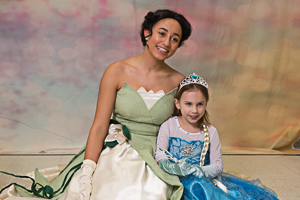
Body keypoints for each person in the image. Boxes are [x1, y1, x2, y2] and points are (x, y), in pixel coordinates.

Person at [0, 9, 192, 200]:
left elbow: (184, 130)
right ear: (147, 33)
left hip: (156, 157)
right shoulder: (116, 71)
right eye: (162, 33)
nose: (166, 43)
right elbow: (100, 127)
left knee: (150, 193)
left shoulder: (180, 82)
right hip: (118, 149)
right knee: (107, 190)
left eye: (175, 39)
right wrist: (87, 173)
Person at [155, 73, 279, 200]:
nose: (194, 110)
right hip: (172, 178)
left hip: (201, 182)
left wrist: (199, 170)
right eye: (188, 104)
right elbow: (160, 153)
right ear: (177, 103)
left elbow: (217, 165)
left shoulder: (210, 132)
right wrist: (169, 166)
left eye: (200, 104)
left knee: (198, 188)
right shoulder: (169, 125)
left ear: (206, 103)